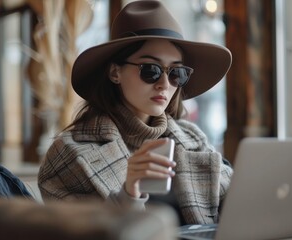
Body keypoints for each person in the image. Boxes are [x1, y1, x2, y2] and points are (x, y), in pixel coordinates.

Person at [38, 0, 233, 225]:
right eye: (150, 70)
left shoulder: (193, 139)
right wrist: (129, 194)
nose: (164, 84)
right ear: (115, 72)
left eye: (176, 73)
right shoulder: (69, 153)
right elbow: (80, 232)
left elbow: (239, 210)